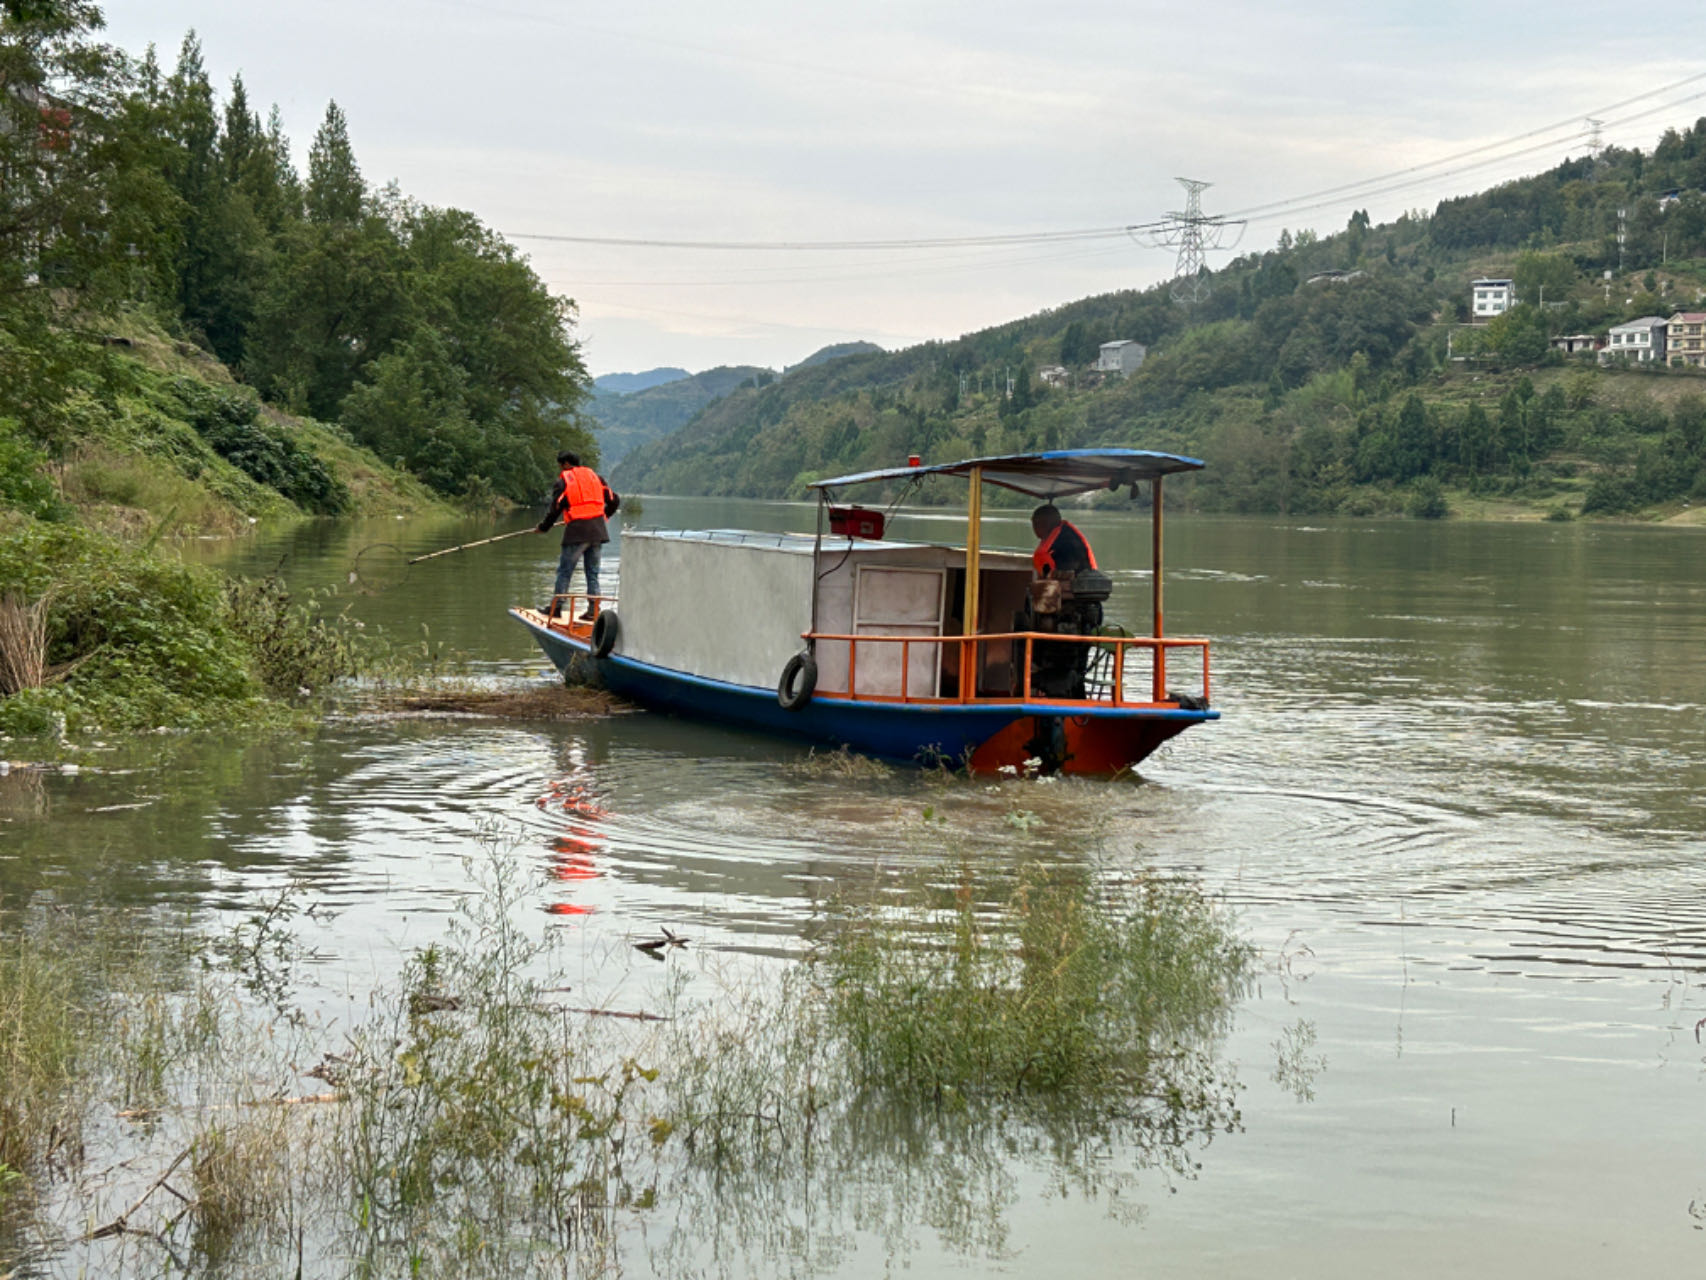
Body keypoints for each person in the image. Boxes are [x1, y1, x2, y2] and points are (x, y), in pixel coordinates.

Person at [537, 450, 619, 620]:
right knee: (592, 573)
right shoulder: (596, 477)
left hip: (577, 532)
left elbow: (555, 509)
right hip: (597, 531)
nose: (560, 469)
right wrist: (604, 515)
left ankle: (556, 609)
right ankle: (592, 611)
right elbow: (614, 500)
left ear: (566, 464)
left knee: (565, 571)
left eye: (560, 465)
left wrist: (544, 527)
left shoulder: (564, 481)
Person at [1030, 504, 1096, 578]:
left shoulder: (1066, 543)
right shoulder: (1061, 535)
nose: (1034, 528)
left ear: (1042, 524)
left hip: (1076, 585)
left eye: (1035, 524)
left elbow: (1066, 573)